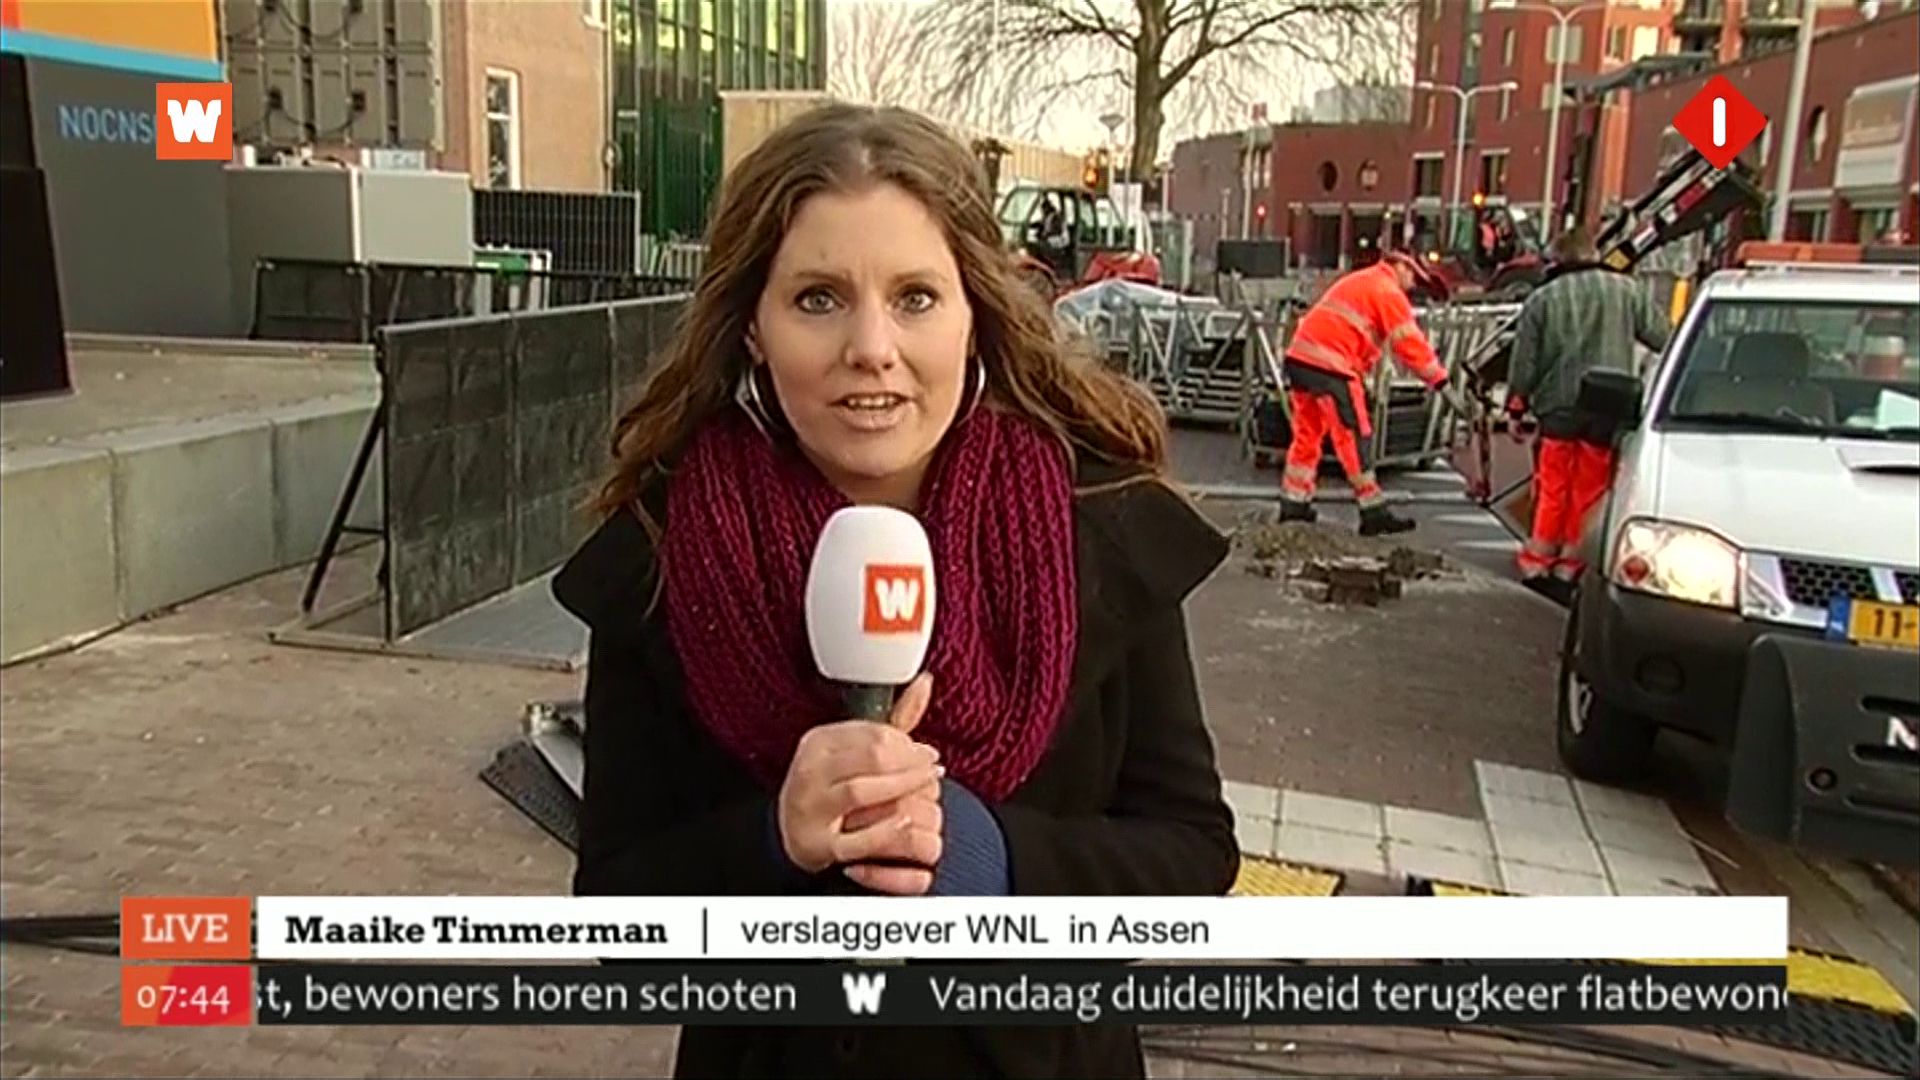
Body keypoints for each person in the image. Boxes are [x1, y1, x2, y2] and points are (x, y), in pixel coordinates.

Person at [551, 103, 1238, 1079]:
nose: (871, 347)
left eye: (915, 297)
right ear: (753, 327)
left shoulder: (1104, 528)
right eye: (818, 299)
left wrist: (990, 861)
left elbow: (1192, 856)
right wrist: (773, 840)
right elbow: (621, 920)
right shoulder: (663, 556)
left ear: (974, 314)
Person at [1506, 226, 1671, 600]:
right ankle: (1572, 563)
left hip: (1558, 404)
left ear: (1557, 259)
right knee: (1591, 486)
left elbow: (1525, 362)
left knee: (1553, 484)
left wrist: (1517, 406)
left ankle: (1538, 559)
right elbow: (1663, 337)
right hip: (1609, 404)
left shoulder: (1543, 299)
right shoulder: (1627, 291)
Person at [1277, 249, 1468, 535]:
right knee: (1354, 435)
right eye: (1414, 277)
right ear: (1401, 265)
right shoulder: (1387, 291)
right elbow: (1410, 345)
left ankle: (1294, 502)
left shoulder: (1363, 281)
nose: (1412, 285)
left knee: (1308, 433)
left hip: (1302, 359)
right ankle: (1372, 509)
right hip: (1332, 366)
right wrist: (1442, 383)